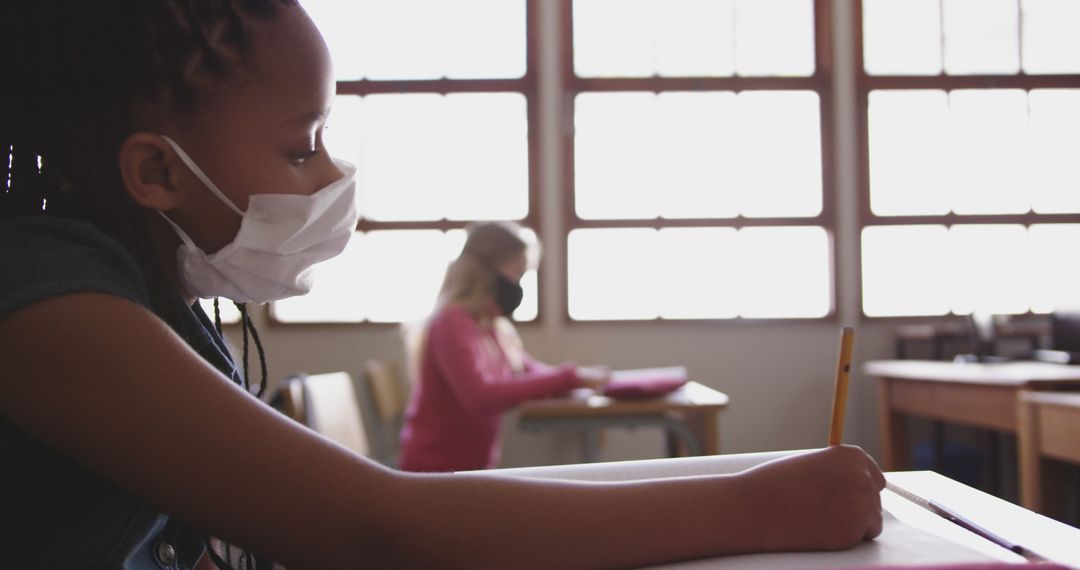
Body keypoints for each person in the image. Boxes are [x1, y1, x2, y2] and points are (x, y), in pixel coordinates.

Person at [0, 1, 885, 568]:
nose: (328, 177)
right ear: (156, 171)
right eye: (301, 146)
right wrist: (760, 507)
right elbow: (377, 528)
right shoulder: (48, 306)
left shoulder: (147, 294)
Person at [397, 221, 609, 473]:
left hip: (469, 470)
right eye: (516, 272)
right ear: (486, 269)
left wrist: (574, 379)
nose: (518, 285)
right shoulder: (451, 322)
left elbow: (529, 370)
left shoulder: (491, 327)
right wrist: (568, 378)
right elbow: (481, 396)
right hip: (435, 474)